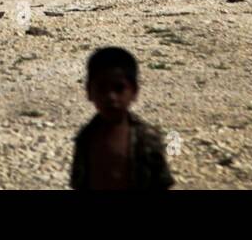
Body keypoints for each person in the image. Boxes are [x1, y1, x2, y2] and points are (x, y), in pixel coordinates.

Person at [70, 46, 174, 190]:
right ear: (89, 91)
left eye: (119, 89)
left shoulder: (147, 138)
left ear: (134, 91)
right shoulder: (86, 137)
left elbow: (161, 183)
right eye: (102, 88)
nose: (111, 97)